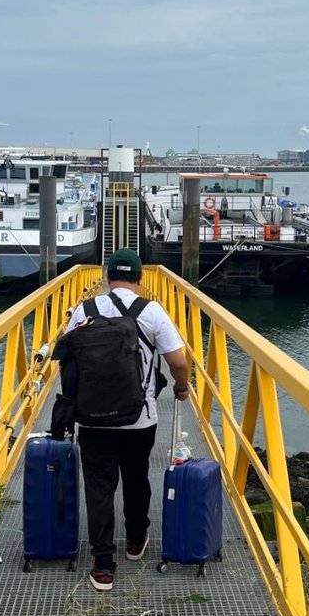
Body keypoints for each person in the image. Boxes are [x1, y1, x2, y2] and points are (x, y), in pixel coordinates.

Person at [63, 248, 189, 591]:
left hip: (91, 418)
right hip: (139, 418)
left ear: (105, 277)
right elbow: (178, 361)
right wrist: (181, 387)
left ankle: (103, 564)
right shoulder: (152, 311)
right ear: (140, 278)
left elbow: (65, 357)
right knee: (136, 477)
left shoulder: (84, 310)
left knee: (99, 486)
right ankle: (135, 540)